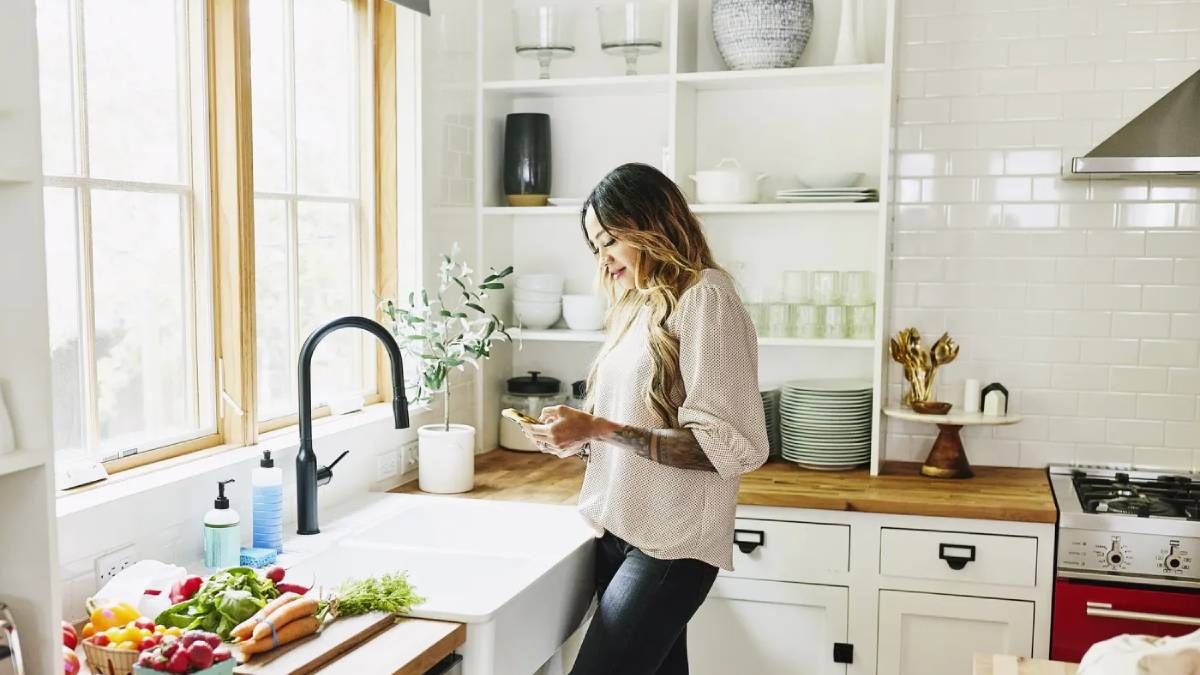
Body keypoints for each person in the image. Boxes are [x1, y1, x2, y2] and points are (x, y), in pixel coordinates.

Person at [520, 162, 769, 675]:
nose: (603, 259)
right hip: (622, 525)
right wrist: (579, 435)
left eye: (610, 241)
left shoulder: (706, 298)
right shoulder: (639, 304)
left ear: (650, 225)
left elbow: (728, 446)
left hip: (671, 545)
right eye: (596, 247)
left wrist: (597, 429)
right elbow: (633, 420)